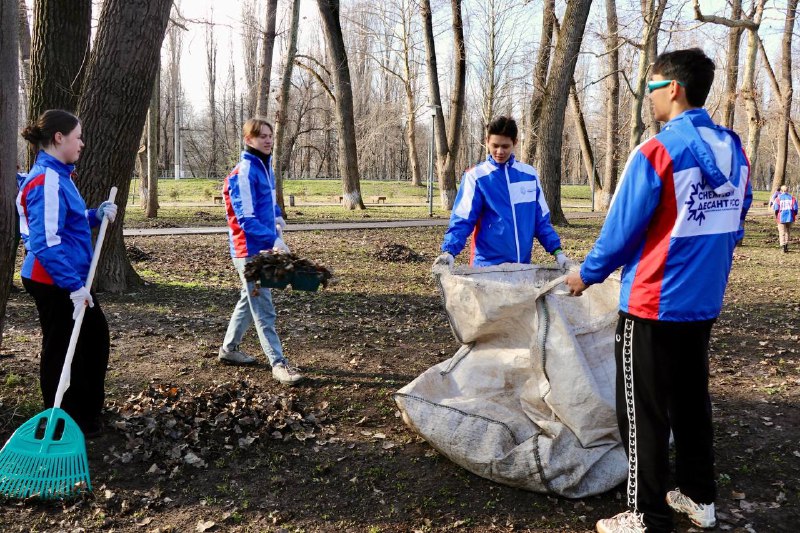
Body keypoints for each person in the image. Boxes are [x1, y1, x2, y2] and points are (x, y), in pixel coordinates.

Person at [565, 49, 752, 533]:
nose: (647, 99)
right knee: (691, 401)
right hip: (702, 303)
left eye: (650, 89)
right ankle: (699, 497)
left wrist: (586, 274)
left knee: (642, 411)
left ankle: (646, 515)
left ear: (673, 88)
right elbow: (736, 220)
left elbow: (621, 229)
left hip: (651, 303)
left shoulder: (657, 151)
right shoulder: (735, 149)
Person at [17, 109, 118, 437]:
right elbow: (45, 243)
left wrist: (95, 214)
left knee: (90, 341)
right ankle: (63, 420)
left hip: (66, 277)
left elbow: (66, 223)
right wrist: (73, 287)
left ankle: (83, 416)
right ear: (58, 138)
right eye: (77, 137)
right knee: (64, 347)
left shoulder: (60, 175)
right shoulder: (46, 179)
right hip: (54, 280)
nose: (83, 144)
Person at [219, 117, 302, 386]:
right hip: (248, 251)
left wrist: (277, 217)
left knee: (249, 298)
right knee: (263, 305)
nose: (268, 140)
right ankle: (278, 363)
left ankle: (229, 350)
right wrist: (273, 240)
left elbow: (268, 202)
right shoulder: (243, 172)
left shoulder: (265, 167)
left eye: (270, 135)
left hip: (263, 246)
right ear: (248, 140)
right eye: (261, 136)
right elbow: (245, 219)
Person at [434, 116, 573, 270]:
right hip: (486, 269)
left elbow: (540, 221)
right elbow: (462, 220)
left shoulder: (529, 175)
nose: (499, 151)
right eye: (495, 145)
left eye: (505, 146)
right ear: (487, 141)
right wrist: (449, 251)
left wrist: (558, 252)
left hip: (522, 267)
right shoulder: (476, 177)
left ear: (515, 143)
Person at [772, 184, 798, 252]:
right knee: (788, 232)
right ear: (787, 190)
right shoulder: (792, 198)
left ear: (781, 191)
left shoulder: (778, 198)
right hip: (790, 217)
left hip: (781, 217)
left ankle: (782, 246)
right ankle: (786, 245)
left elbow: (776, 208)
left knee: (782, 232)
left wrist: (776, 215)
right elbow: (795, 209)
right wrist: (794, 214)